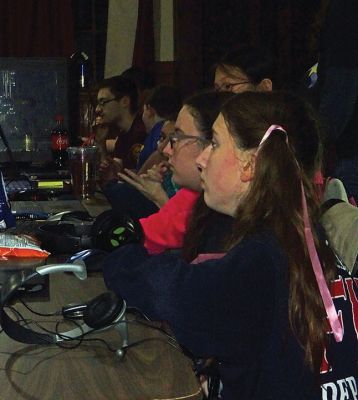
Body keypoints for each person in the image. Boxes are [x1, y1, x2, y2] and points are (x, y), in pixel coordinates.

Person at [103, 91, 357, 399]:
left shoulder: (263, 258)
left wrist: (118, 258)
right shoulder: (309, 237)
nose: (201, 158)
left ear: (250, 165)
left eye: (215, 143)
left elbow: (170, 292)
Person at [94, 75, 146, 177]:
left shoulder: (142, 131)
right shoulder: (123, 135)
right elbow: (112, 175)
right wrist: (101, 142)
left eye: (103, 102)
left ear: (125, 101)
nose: (97, 109)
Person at [137, 84, 182, 169]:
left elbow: (144, 174)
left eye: (143, 111)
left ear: (149, 109)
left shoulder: (157, 130)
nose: (162, 147)